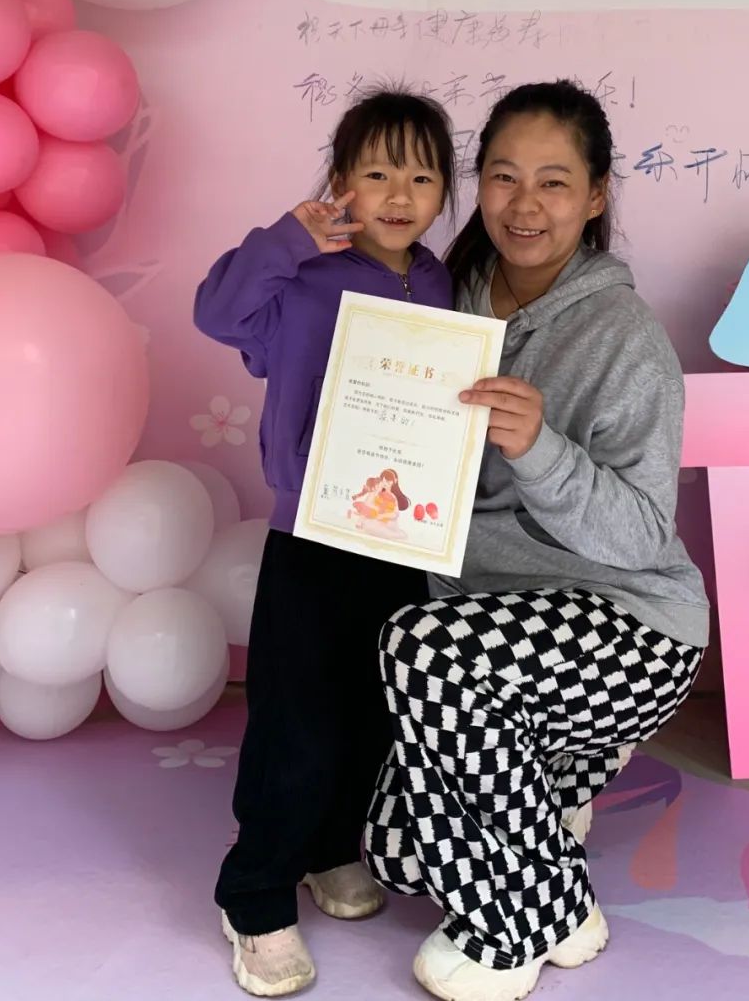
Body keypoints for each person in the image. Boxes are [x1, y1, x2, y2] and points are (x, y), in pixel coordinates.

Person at [364, 81, 709, 1001]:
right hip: (488, 616)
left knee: (425, 652)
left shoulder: (625, 337)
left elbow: (644, 533)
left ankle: (514, 924)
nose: (525, 204)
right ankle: (559, 836)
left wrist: (541, 449)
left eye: (554, 182)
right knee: (396, 854)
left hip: (629, 622)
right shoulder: (444, 301)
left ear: (595, 196)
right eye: (504, 176)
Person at [194, 89, 455, 997]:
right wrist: (288, 237)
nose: (399, 194)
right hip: (310, 533)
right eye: (376, 172)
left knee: (373, 711)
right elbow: (217, 314)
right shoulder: (300, 277)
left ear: (444, 190)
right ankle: (256, 893)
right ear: (340, 180)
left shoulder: (441, 282)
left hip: (404, 538)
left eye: (421, 176)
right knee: (294, 721)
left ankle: (332, 846)